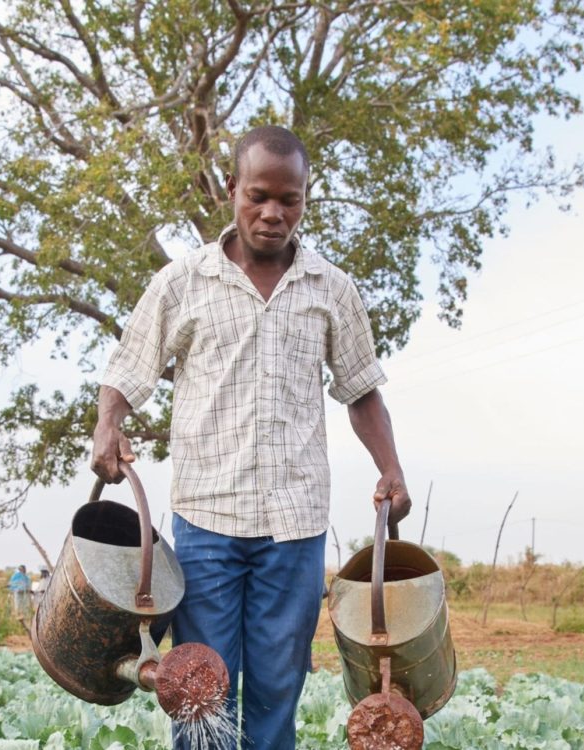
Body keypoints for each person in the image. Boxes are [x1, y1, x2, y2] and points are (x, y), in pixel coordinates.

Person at [91, 125, 411, 750]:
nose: (273, 213)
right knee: (201, 689)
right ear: (232, 189)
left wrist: (390, 466)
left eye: (289, 200)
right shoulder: (184, 282)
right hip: (207, 520)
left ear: (305, 200)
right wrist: (109, 421)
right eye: (259, 195)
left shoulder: (331, 289)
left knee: (276, 688)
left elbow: (361, 389)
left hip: (293, 528)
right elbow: (128, 369)